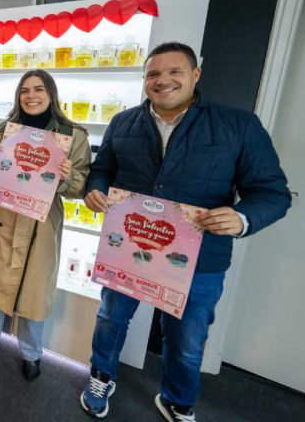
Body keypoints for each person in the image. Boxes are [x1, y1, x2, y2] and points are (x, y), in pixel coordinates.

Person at [78, 42, 291, 421]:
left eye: (174, 72)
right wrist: (94, 188)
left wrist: (242, 218)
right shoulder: (123, 122)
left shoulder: (238, 125)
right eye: (153, 74)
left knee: (187, 340)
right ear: (145, 80)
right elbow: (102, 169)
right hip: (129, 246)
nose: (162, 81)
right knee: (111, 320)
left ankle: (177, 399)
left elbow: (272, 193)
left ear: (195, 75)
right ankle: (100, 376)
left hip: (200, 259)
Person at [0, 70, 91, 381]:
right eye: (24, 90)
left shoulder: (73, 135)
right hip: (3, 218)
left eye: (38, 89)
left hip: (41, 222)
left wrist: (66, 177)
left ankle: (32, 353)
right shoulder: (5, 130)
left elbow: (82, 188)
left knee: (34, 291)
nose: (31, 95)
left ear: (51, 93)